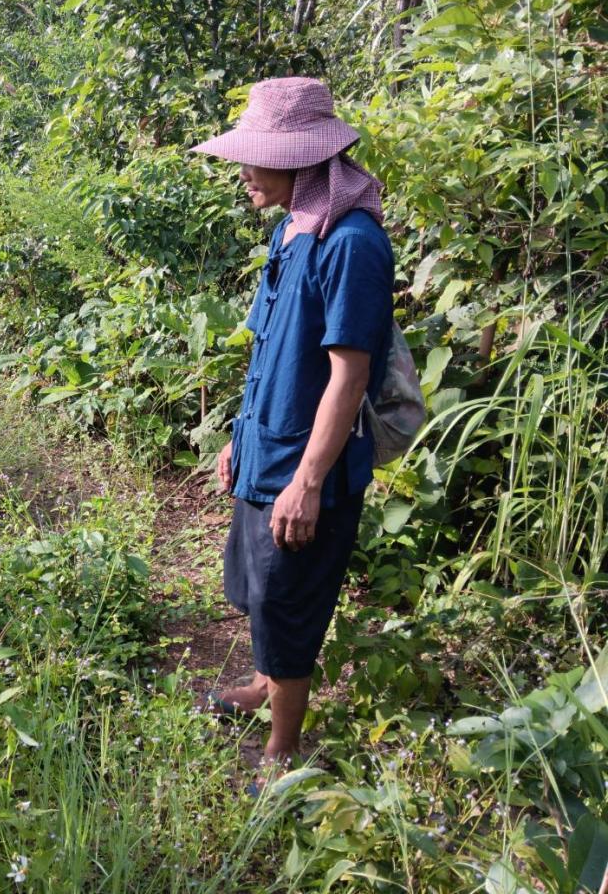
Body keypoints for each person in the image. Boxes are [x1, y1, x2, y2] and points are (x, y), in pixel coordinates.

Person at [190, 77, 394, 783]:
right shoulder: (293, 227)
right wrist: (237, 438)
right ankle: (262, 685)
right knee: (258, 589)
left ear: (304, 159)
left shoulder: (351, 244)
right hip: (265, 445)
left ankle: (283, 744)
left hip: (305, 464)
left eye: (256, 157)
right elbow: (271, 346)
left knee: (290, 602)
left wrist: (307, 482)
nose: (242, 171)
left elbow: (349, 376)